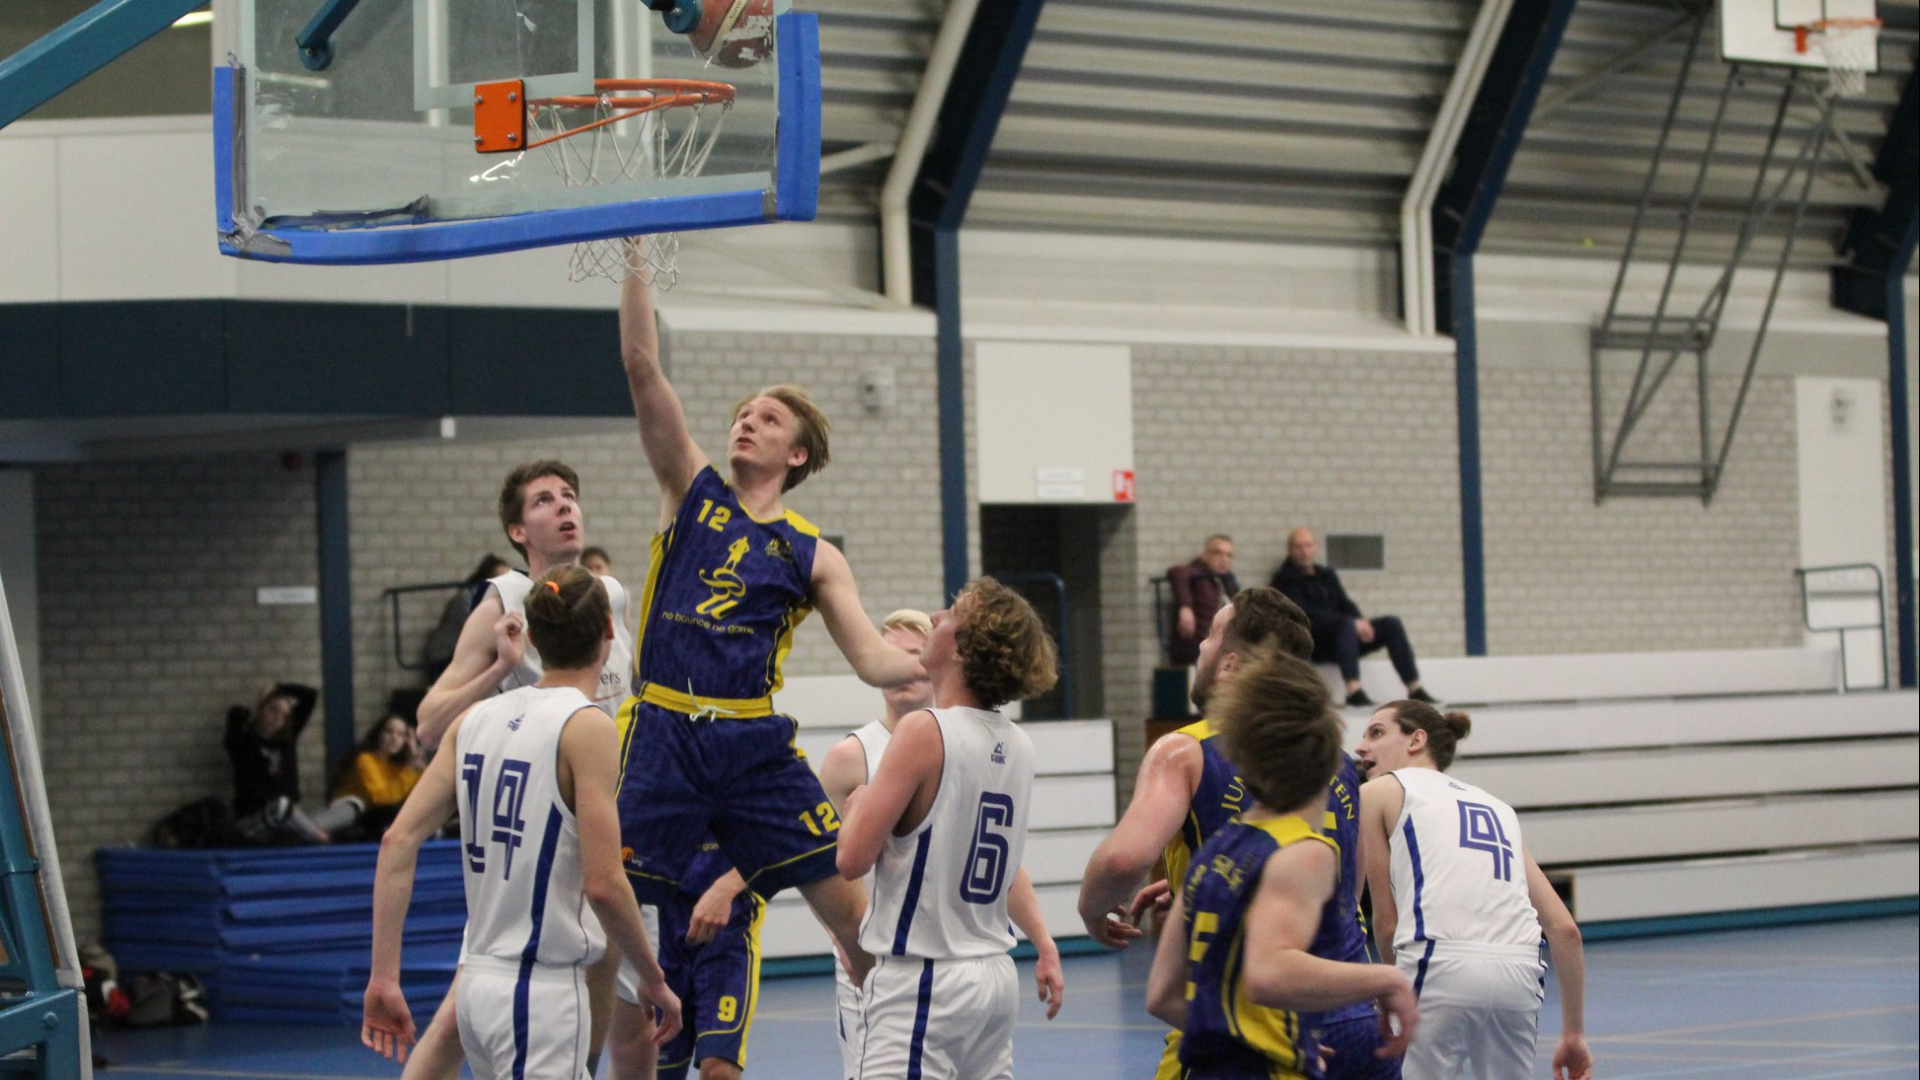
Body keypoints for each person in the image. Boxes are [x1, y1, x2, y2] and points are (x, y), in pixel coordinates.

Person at [613, 262, 925, 995]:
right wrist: (635, 257)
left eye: (768, 418)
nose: (746, 422)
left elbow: (873, 661)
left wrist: (933, 662)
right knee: (603, 906)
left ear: (797, 455)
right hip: (664, 729)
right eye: (741, 414)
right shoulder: (690, 491)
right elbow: (640, 363)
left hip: (751, 744)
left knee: (850, 914)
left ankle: (899, 1039)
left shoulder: (814, 553)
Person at [362, 565, 682, 1076]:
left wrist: (383, 976)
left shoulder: (471, 720)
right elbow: (603, 884)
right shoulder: (587, 724)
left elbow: (397, 842)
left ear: (531, 637)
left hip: (476, 984)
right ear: (608, 631)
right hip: (543, 990)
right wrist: (652, 975)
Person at [1081, 587, 1396, 1080]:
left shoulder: (1186, 749)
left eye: (1209, 636)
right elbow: (1341, 890)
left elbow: (1124, 861)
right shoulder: (1333, 756)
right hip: (1350, 1009)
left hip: (1254, 1016)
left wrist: (1092, 909)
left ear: (1229, 664)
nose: (1201, 648)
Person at [407, 462, 650, 1080]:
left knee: (635, 1021)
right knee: (455, 1021)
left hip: (610, 823)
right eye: (545, 501)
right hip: (534, 841)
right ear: (519, 530)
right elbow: (429, 721)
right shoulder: (504, 600)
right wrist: (498, 668)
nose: (565, 507)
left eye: (570, 495)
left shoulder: (611, 598)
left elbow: (639, 706)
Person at [1146, 649, 1417, 1080]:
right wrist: (1388, 980)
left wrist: (1257, 1043)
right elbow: (1268, 974)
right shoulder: (1304, 851)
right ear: (1329, 759)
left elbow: (1161, 995)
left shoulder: (1211, 853)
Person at [835, 578, 1065, 1080]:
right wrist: (1045, 943)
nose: (937, 616)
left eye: (953, 612)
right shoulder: (1019, 744)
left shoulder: (924, 730)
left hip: (925, 979)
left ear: (964, 648)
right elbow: (1004, 869)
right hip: (994, 977)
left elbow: (851, 859)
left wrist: (857, 807)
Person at [1356, 702, 1592, 1080]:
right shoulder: (1499, 809)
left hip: (1438, 963)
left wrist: (1389, 992)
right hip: (1520, 972)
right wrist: (1574, 1033)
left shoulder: (1380, 791)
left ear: (1417, 739)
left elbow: (1385, 921)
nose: (1361, 747)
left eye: (1376, 733)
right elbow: (1565, 929)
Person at [816, 609, 935, 1080]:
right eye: (887, 657)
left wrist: (1043, 942)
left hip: (941, 955)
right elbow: (819, 864)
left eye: (910, 656)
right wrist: (844, 941)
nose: (898, 669)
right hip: (872, 956)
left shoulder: (954, 742)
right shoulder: (851, 757)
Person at [1271, 528, 1431, 708]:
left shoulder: (1326, 574)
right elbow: (1305, 613)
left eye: (1308, 545)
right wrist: (1351, 623)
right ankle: (1354, 690)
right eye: (1299, 547)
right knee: (1346, 624)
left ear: (1315, 547)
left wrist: (1361, 622)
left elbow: (1345, 603)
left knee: (1391, 624)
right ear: (1290, 550)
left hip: (1345, 638)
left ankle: (1414, 687)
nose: (1304, 551)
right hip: (1316, 643)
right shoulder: (1283, 580)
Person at [653, 840, 764, 1080]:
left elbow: (777, 840)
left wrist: (727, 887)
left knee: (719, 1069)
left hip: (731, 930)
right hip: (661, 930)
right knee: (658, 1071)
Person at [225, 681, 326, 843]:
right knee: (281, 805)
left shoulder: (287, 740)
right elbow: (235, 714)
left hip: (289, 816)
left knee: (352, 805)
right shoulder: (242, 743)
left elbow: (310, 695)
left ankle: (311, 832)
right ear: (261, 708)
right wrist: (266, 696)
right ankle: (318, 836)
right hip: (256, 820)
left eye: (284, 716)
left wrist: (279, 687)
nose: (277, 718)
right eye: (273, 710)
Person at [323, 713, 426, 841]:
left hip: (384, 816)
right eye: (389, 731)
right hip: (358, 814)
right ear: (379, 734)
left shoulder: (400, 767)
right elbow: (381, 798)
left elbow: (423, 795)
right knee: (393, 811)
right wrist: (410, 769)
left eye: (401, 735)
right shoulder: (365, 760)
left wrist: (414, 757)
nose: (394, 738)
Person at [421, 555, 510, 682]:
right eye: (501, 579)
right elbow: (477, 632)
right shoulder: (468, 597)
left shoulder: (495, 599)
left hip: (464, 654)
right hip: (446, 656)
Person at [1166, 534, 1241, 665]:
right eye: (1218, 553)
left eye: (1229, 555)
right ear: (1204, 554)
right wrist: (1185, 607)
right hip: (1198, 646)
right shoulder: (1198, 575)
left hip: (1226, 644)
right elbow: (1176, 572)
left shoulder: (1228, 582)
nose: (1224, 559)